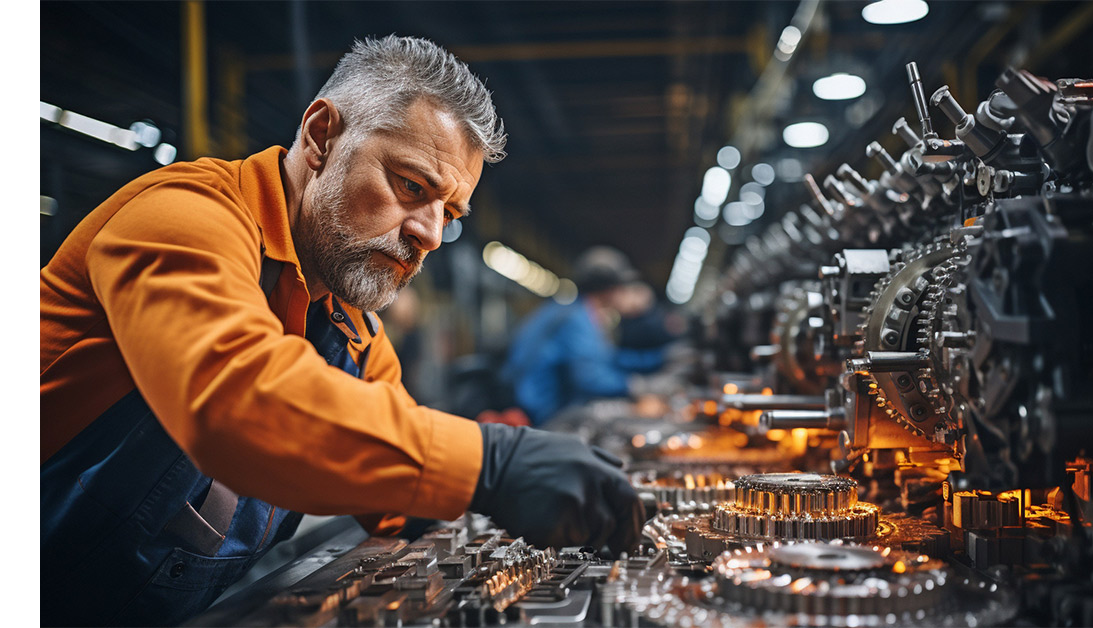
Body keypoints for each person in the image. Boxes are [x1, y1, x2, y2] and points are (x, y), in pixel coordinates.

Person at [40, 36, 642, 627]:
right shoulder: (183, 216)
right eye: (412, 186)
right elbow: (234, 402)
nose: (431, 234)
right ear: (322, 135)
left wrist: (515, 505)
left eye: (449, 212)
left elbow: (397, 483)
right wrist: (493, 464)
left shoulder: (349, 329)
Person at [503, 246, 667, 426]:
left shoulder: (579, 311)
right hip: (546, 415)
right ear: (608, 288)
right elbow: (590, 378)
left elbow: (606, 359)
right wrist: (636, 386)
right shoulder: (576, 319)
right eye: (620, 286)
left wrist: (660, 358)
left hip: (551, 406)